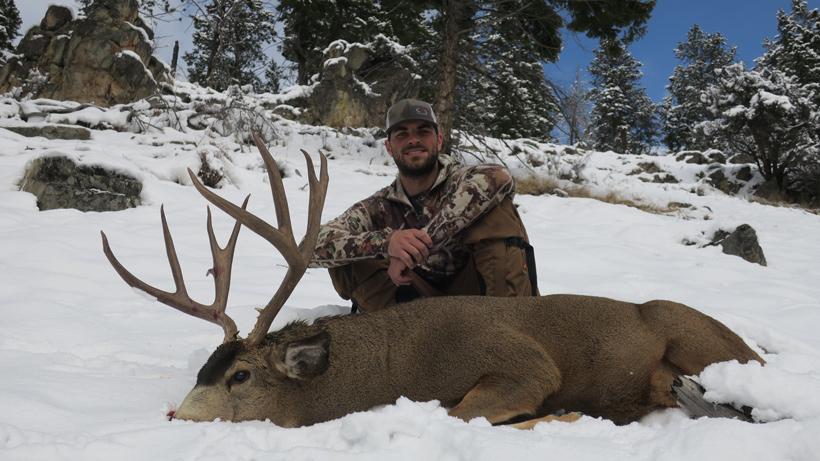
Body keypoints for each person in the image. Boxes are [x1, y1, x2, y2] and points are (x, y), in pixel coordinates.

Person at [309, 99, 538, 312]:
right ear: (389, 147)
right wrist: (388, 242)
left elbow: (498, 178)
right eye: (402, 134)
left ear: (439, 140)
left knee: (497, 212)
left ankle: (510, 328)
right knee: (346, 258)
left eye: (423, 131)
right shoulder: (379, 206)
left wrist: (413, 249)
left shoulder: (463, 181)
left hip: (483, 305)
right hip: (419, 312)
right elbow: (312, 247)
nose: (413, 140)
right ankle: (401, 339)